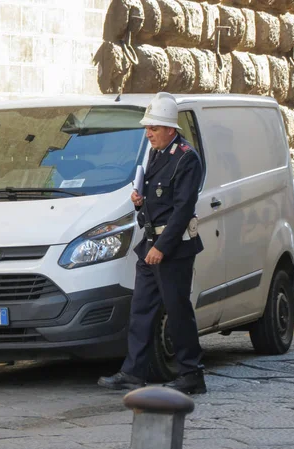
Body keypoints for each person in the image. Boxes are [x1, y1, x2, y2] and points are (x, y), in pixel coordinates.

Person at [97, 92, 206, 395]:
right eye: (148, 128)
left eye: (154, 128)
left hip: (173, 248)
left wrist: (162, 247)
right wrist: (139, 202)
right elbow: (159, 200)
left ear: (170, 128)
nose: (148, 133)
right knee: (141, 309)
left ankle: (191, 373)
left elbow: (183, 209)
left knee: (177, 309)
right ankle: (134, 371)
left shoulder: (185, 157)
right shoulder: (155, 154)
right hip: (151, 243)